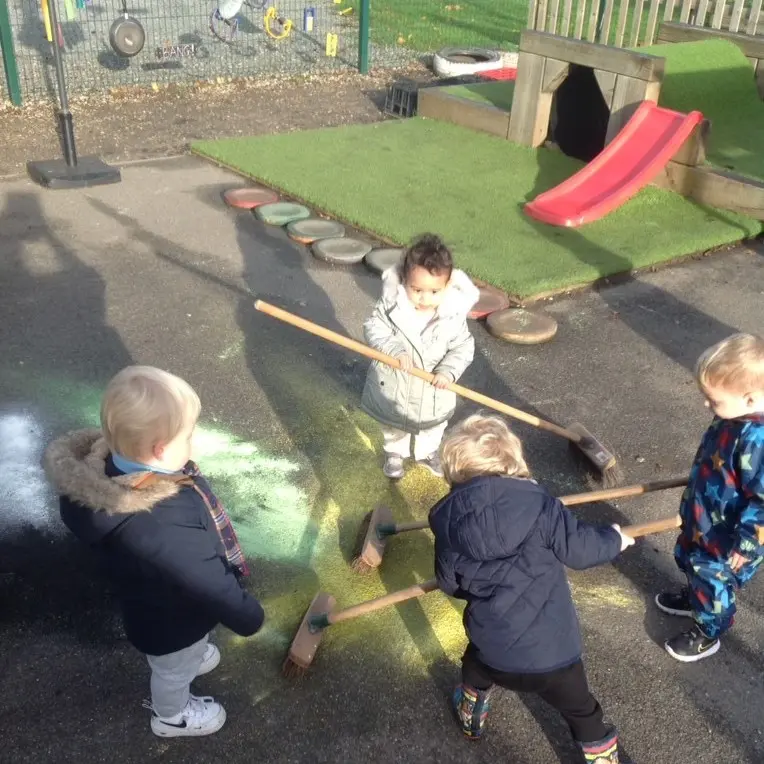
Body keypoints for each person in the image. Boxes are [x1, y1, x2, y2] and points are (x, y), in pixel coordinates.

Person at [44, 366, 265, 737]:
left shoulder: (114, 473)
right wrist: (248, 615)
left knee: (179, 658)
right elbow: (206, 579)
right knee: (172, 671)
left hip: (152, 604)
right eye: (188, 436)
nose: (192, 444)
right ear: (160, 450)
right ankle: (171, 716)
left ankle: (191, 657)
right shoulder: (161, 520)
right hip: (172, 622)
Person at [429, 414, 634, 763]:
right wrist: (613, 539)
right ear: (513, 462)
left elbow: (449, 584)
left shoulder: (447, 524)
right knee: (583, 713)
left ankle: (470, 717)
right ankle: (603, 759)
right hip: (554, 656)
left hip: (493, 651)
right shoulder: (541, 505)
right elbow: (580, 550)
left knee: (474, 669)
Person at [655, 333, 764, 662]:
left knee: (713, 577)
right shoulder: (732, 416)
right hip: (705, 515)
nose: (707, 405)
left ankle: (709, 631)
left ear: (749, 398)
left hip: (729, 537)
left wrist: (747, 546)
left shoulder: (757, 440)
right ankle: (696, 598)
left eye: (713, 400)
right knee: (689, 555)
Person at [361, 233, 479, 479]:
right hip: (396, 384)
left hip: (434, 389)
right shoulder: (392, 307)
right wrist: (394, 350)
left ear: (447, 286)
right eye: (417, 290)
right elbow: (374, 327)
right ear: (404, 282)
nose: (425, 298)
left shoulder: (452, 316)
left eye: (434, 291)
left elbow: (463, 347)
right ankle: (394, 453)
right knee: (393, 424)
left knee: (433, 426)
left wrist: (448, 371)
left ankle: (427, 452)